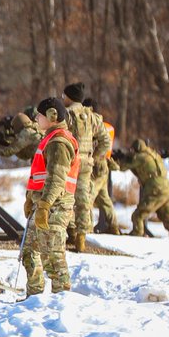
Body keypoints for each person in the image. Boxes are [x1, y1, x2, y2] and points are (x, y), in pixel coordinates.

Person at [20, 97, 79, 297]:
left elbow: (56, 179)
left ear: (52, 116)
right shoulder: (49, 139)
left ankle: (60, 302)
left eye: (40, 114)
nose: (36, 118)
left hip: (55, 206)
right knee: (29, 252)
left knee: (53, 256)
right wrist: (31, 198)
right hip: (42, 204)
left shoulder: (59, 142)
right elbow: (40, 176)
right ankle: (34, 297)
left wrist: (44, 205)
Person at [62, 83, 111, 251]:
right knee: (83, 200)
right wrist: (94, 157)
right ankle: (81, 239)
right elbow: (105, 141)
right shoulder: (92, 117)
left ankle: (69, 231)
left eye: (64, 96)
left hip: (70, 163)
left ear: (70, 97)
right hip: (86, 164)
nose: (63, 99)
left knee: (64, 197)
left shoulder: (66, 115)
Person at [117, 138, 169, 238]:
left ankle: (136, 235)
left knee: (138, 215)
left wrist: (124, 157)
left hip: (155, 188)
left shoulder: (140, 157)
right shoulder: (154, 154)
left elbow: (122, 166)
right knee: (168, 218)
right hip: (166, 187)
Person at [81, 97, 120, 235]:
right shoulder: (108, 126)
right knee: (104, 199)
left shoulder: (92, 124)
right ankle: (114, 226)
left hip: (96, 165)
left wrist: (92, 158)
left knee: (88, 197)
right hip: (105, 165)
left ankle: (87, 229)